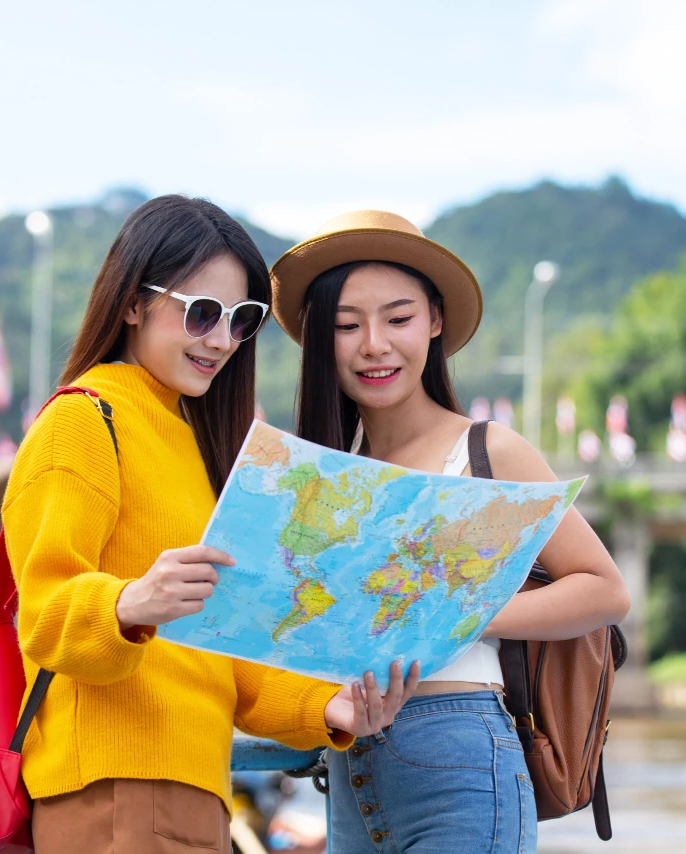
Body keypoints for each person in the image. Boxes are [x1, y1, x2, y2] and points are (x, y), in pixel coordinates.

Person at [1, 196, 420, 854]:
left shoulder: (195, 448)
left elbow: (231, 658)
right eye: (201, 312)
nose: (222, 339)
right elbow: (44, 617)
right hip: (116, 788)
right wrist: (129, 601)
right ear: (133, 302)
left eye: (242, 320)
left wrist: (328, 709)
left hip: (193, 789)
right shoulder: (85, 420)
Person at [270, 210, 631, 853]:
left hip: (460, 753)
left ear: (435, 322)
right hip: (350, 765)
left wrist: (459, 610)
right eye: (347, 325)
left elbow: (604, 591)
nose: (373, 344)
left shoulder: (486, 452)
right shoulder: (323, 479)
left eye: (398, 318)